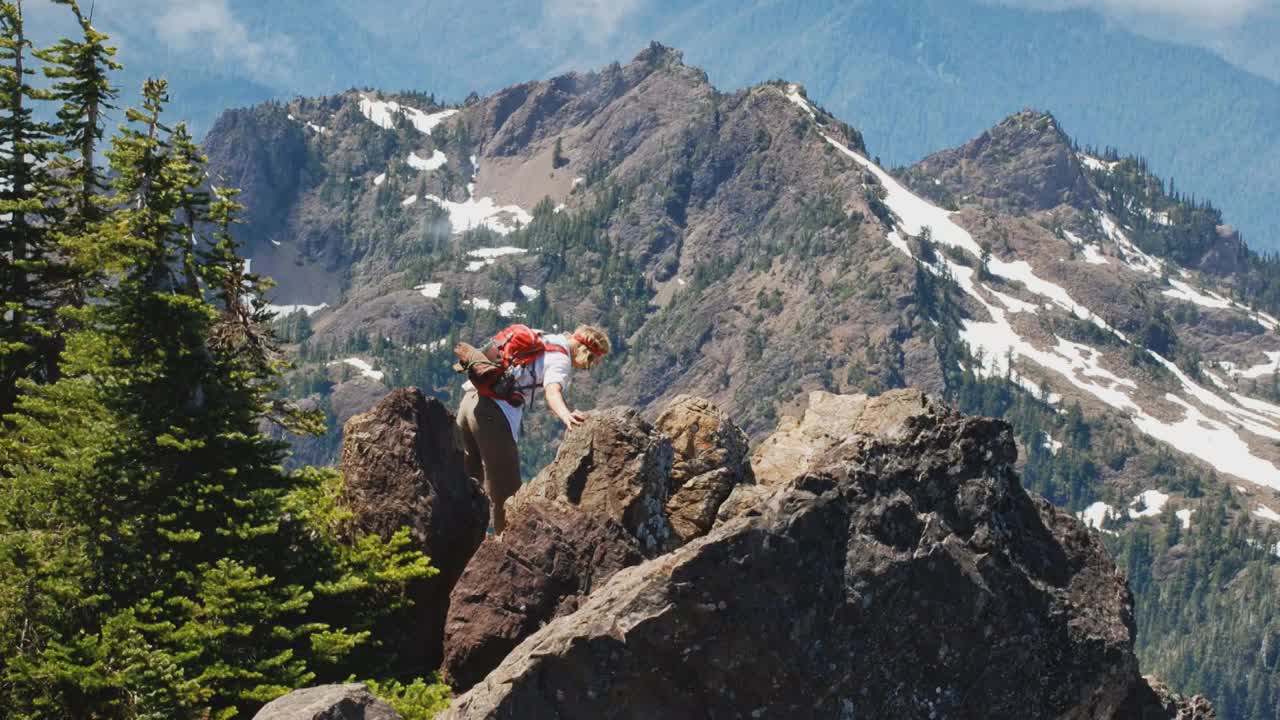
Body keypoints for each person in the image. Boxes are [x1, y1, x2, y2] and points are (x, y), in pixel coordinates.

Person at [455, 324, 611, 535]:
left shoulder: (543, 338)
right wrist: (566, 415)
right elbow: (552, 391)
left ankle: (459, 534)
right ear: (586, 352)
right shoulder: (561, 359)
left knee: (467, 479)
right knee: (507, 494)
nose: (588, 367)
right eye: (592, 361)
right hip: (492, 416)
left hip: (469, 403)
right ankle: (504, 549)